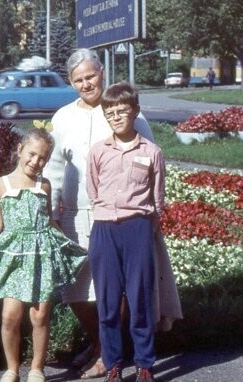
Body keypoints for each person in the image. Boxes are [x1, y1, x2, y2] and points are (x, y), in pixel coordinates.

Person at [44, 49, 180, 379]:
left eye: (90, 76)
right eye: (78, 80)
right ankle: (98, 343)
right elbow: (56, 166)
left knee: (122, 290)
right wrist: (52, 210)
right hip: (77, 212)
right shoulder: (63, 117)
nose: (85, 83)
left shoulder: (129, 112)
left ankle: (109, 354)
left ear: (102, 73)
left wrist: (150, 216)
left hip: (127, 216)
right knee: (77, 289)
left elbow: (150, 164)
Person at [0, 128, 87, 382]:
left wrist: (67, 244)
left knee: (40, 315)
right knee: (10, 316)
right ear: (20, 150)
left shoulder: (44, 185)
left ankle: (37, 368)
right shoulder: (2, 184)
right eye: (31, 154)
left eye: (42, 158)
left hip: (41, 254)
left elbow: (49, 221)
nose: (35, 161)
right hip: (16, 257)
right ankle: (12, 369)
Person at [87, 82, 174, 382]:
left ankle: (145, 364)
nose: (116, 117)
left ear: (135, 111)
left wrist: (144, 226)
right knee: (108, 303)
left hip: (138, 229)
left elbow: (157, 198)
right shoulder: (98, 152)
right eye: (110, 113)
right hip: (104, 229)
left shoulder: (152, 152)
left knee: (140, 300)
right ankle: (113, 364)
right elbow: (93, 189)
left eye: (122, 111)